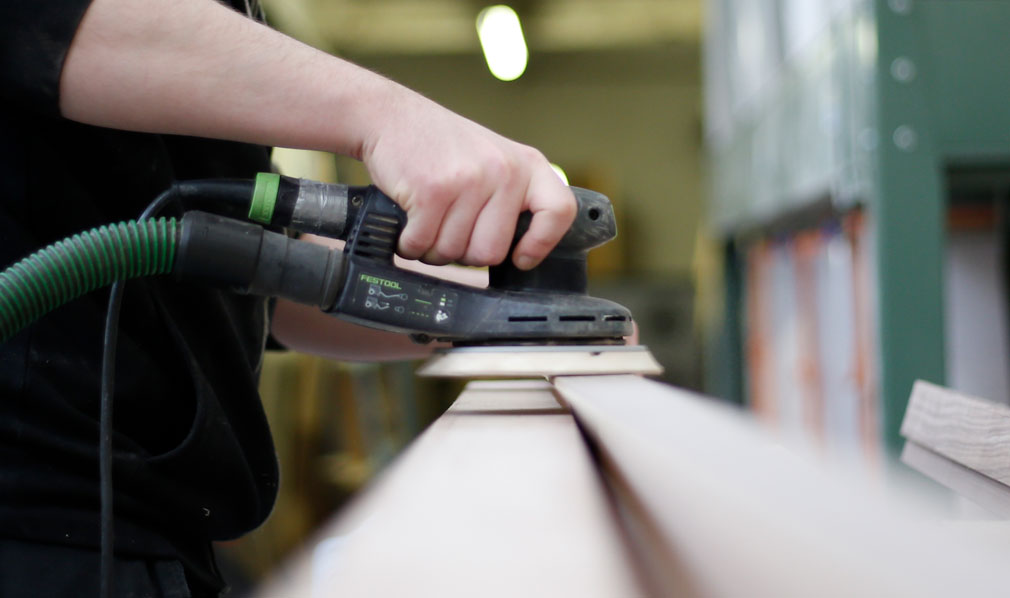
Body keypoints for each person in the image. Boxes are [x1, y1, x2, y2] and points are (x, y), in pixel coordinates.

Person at [0, 0, 577, 595]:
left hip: (143, 529)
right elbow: (50, 21)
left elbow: (261, 276)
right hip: (38, 525)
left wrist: (504, 315)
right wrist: (388, 115)